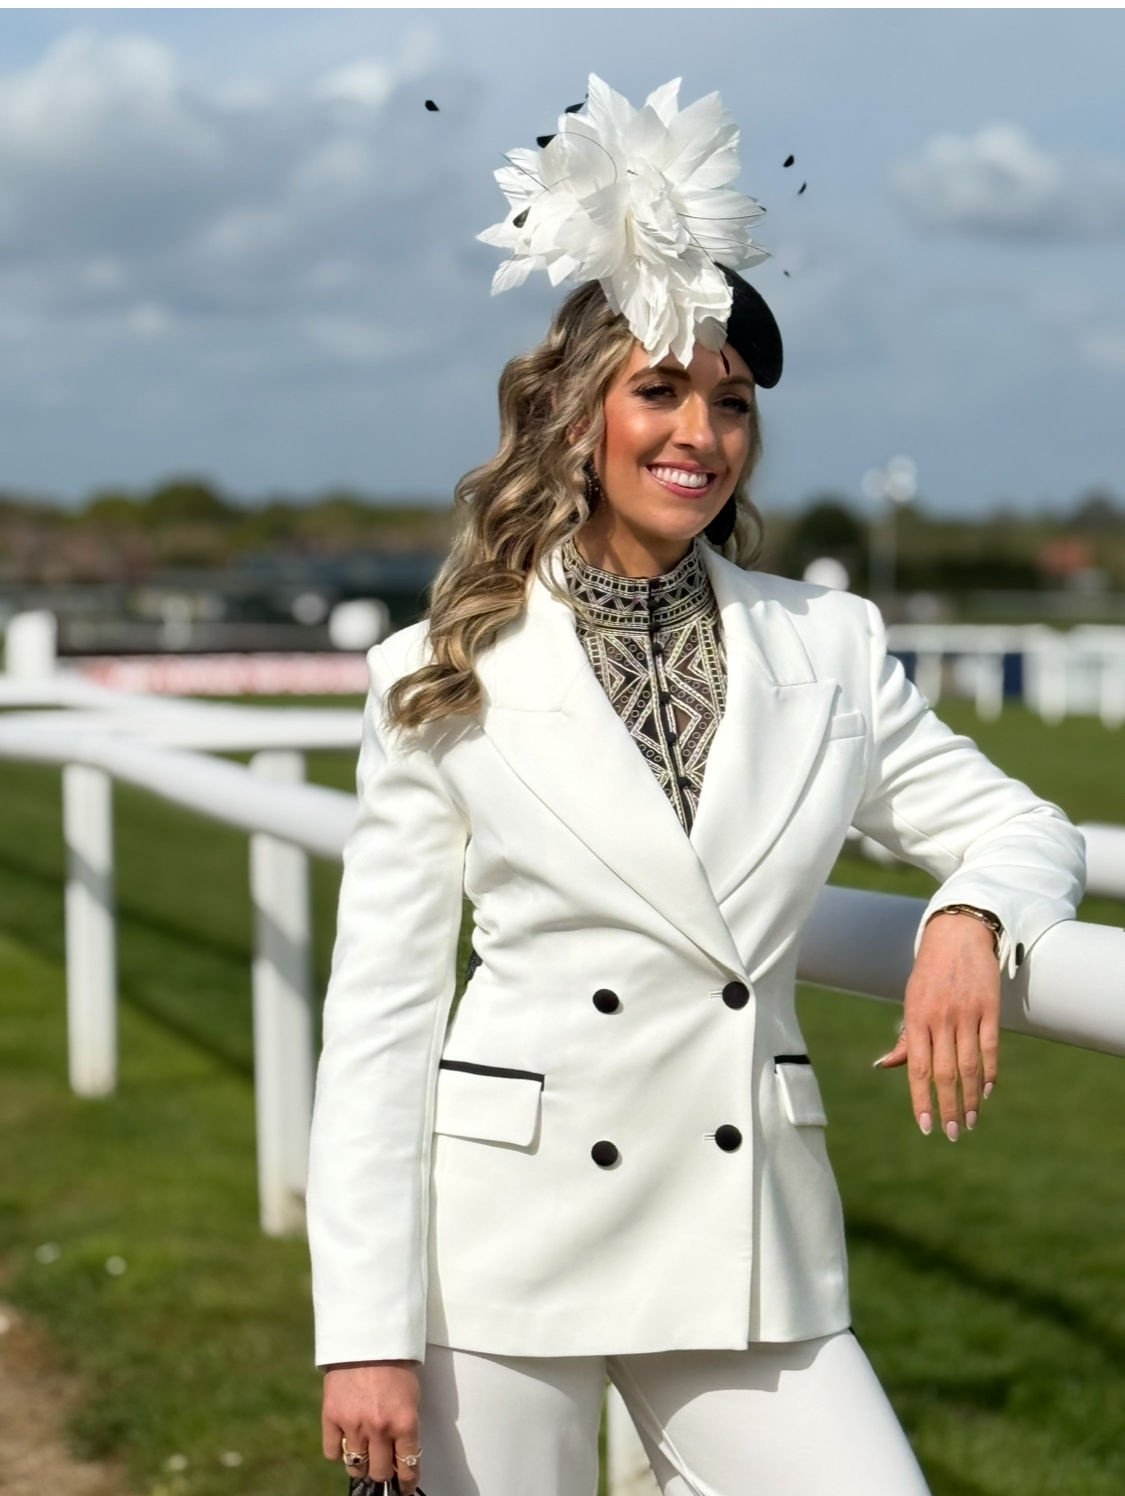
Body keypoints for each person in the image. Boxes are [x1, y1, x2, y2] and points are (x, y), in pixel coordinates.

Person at [306, 75, 1085, 1495]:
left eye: (727, 404)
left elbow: (1016, 824)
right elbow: (378, 1018)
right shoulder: (444, 664)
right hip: (501, 1252)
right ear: (574, 418)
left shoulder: (827, 641)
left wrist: (967, 920)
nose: (698, 435)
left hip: (742, 1242)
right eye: (656, 390)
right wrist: (360, 1331)